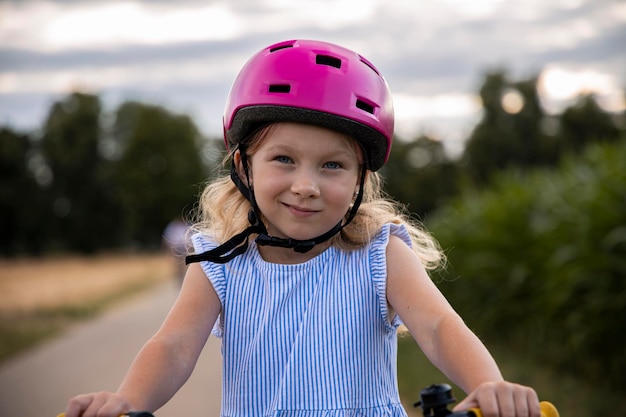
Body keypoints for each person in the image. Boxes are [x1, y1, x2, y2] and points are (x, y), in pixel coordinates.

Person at [64, 39, 540, 417]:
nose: (306, 185)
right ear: (244, 166)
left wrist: (487, 386)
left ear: (360, 181)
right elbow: (173, 347)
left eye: (332, 165)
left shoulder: (379, 254)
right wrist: (127, 400)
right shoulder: (219, 263)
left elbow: (438, 327)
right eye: (284, 159)